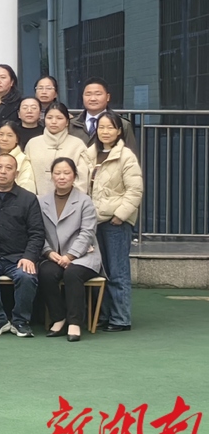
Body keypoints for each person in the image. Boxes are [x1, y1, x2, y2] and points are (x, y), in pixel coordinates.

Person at [81, 110, 143, 333]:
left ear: (119, 131)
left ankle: (120, 318)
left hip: (115, 222)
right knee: (100, 271)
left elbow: (135, 190)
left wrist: (120, 215)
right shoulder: (88, 155)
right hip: (92, 222)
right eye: (101, 127)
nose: (105, 131)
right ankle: (103, 315)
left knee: (117, 271)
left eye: (110, 127)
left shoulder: (126, 156)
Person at [0, 154, 45, 337]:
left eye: (8, 168)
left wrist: (29, 257)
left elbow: (37, 233)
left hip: (19, 256)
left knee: (27, 276)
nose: (3, 172)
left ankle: (20, 321)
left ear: (16, 173)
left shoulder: (28, 199)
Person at [38, 158, 101, 342]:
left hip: (82, 256)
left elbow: (87, 232)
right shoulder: (42, 201)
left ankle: (74, 322)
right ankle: (58, 317)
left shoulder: (84, 201)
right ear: (52, 176)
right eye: (57, 173)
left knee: (72, 274)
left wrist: (70, 256)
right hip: (54, 255)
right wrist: (48, 252)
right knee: (46, 272)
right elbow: (37, 231)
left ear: (74, 176)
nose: (62, 177)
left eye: (66, 173)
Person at [25, 102, 88, 196]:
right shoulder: (32, 144)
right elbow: (27, 177)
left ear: (67, 122)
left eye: (59, 118)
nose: (53, 122)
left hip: (71, 200)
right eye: (49, 118)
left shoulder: (78, 145)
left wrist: (71, 199)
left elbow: (82, 179)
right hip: (36, 200)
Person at [70, 77, 138, 154]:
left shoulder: (122, 124)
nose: (93, 99)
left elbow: (131, 155)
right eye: (88, 94)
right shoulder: (71, 124)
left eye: (98, 94)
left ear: (108, 97)